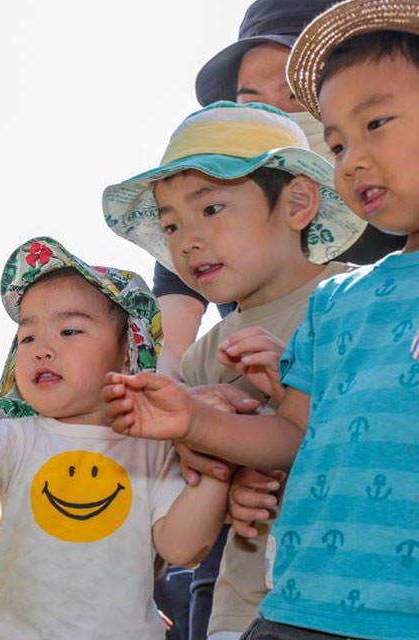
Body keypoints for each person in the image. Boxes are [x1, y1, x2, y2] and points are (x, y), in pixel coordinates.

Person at [103, 3, 419, 636]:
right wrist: (197, 421)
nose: (352, 158)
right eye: (336, 143)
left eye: (376, 123)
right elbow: (294, 437)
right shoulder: (338, 304)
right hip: (292, 610)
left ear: (297, 203)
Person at [0, 237, 228, 639]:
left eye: (70, 330)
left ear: (128, 351)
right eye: (27, 337)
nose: (42, 349)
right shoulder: (16, 440)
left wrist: (216, 470)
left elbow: (182, 547)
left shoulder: (152, 448)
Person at [103, 100, 365, 640]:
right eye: (170, 225)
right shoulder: (203, 357)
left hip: (349, 601)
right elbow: (187, 505)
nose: (186, 240)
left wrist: (295, 390)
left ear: (297, 203)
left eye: (211, 209)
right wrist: (225, 483)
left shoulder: (361, 303)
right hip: (239, 613)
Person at [155, 0, 405, 378]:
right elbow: (171, 356)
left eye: (294, 96)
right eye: (252, 103)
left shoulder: (396, 201)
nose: (277, 116)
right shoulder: (196, 220)